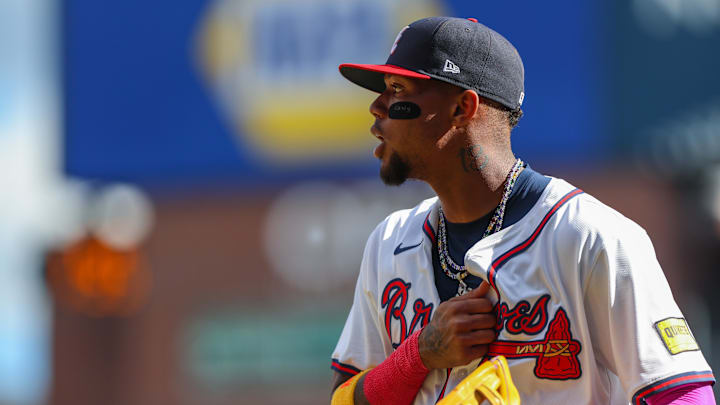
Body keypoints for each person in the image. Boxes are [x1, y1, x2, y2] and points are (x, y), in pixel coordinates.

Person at [329, 16, 715, 405]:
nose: (377, 107)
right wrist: (418, 355)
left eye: (398, 89)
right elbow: (343, 398)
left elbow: (684, 394)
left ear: (463, 108)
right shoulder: (389, 243)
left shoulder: (589, 237)